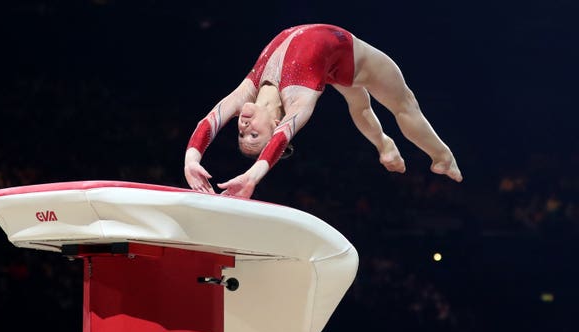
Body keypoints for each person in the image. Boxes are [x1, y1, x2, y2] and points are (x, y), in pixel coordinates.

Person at [184, 23, 462, 198]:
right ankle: (442, 157)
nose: (244, 131)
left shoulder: (249, 89)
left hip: (330, 62)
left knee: (359, 102)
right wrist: (254, 175)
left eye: (241, 136)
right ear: (277, 123)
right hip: (354, 60)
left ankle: (385, 145)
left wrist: (191, 161)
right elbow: (283, 137)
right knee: (404, 105)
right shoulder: (298, 100)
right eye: (253, 138)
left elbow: (208, 121)